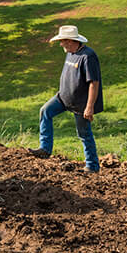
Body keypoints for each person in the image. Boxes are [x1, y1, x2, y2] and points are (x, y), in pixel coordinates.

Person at [28, 25, 102, 173]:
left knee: (84, 134)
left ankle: (92, 166)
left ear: (70, 41)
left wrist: (89, 107)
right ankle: (45, 148)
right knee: (45, 111)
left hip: (81, 103)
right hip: (63, 97)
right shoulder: (70, 53)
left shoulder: (88, 56)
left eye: (62, 41)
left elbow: (94, 83)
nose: (61, 44)